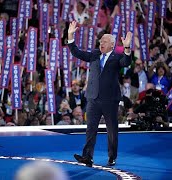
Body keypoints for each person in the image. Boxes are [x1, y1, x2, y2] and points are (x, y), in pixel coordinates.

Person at [67, 21, 132, 167]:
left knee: (112, 131)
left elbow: (127, 62)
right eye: (100, 40)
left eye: (104, 41)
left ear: (112, 45)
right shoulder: (95, 54)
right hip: (93, 98)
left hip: (110, 100)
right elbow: (78, 52)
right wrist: (70, 36)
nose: (101, 43)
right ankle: (87, 157)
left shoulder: (117, 57)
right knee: (90, 129)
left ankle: (112, 157)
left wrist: (127, 47)